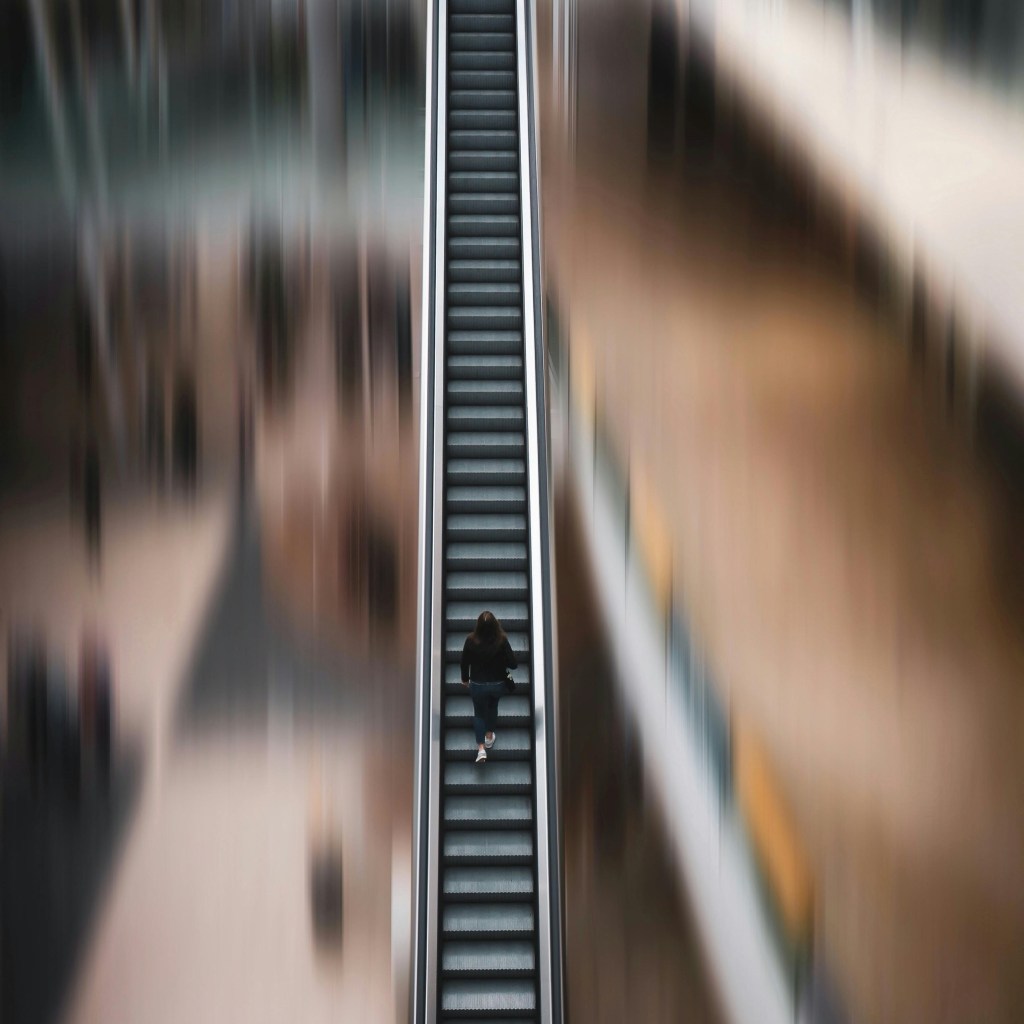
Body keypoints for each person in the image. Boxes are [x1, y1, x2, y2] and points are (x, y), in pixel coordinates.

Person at [460, 611, 516, 765]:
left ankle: (481, 749)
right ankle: (489, 736)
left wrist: (465, 679)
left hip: (477, 684)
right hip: (497, 684)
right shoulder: (501, 640)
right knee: (492, 706)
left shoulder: (470, 641)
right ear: (495, 625)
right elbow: (514, 664)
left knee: (479, 714)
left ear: (478, 626)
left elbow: (464, 663)